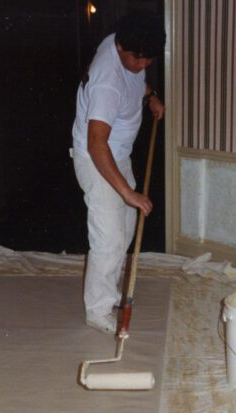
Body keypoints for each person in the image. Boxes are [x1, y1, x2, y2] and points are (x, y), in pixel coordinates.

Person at [71, 10, 166, 334]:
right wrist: (128, 193)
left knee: (124, 231)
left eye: (148, 60)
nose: (141, 66)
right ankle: (97, 311)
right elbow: (97, 145)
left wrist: (150, 95)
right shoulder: (107, 80)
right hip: (96, 157)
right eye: (136, 59)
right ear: (120, 47)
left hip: (117, 154)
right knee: (109, 237)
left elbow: (136, 80)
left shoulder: (123, 44)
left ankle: (109, 294)